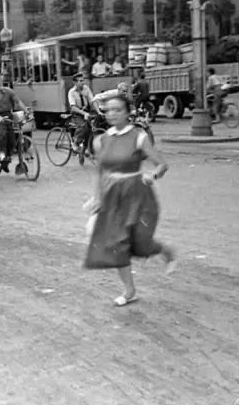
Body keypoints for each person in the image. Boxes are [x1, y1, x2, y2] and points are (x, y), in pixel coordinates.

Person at [83, 92, 176, 307]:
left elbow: (162, 164)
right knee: (117, 245)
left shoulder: (139, 136)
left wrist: (152, 175)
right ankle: (129, 290)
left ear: (128, 112)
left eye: (118, 110)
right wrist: (96, 198)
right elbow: (99, 171)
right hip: (112, 196)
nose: (113, 114)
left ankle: (164, 251)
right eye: (108, 110)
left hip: (138, 194)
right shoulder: (101, 140)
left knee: (141, 243)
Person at [0, 74, 29, 173]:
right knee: (2, 137)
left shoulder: (8, 91)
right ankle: (2, 157)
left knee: (12, 141)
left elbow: (18, 101)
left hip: (8, 115)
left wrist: (26, 111)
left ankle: (6, 161)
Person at [67, 73, 96, 156]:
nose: (83, 82)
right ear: (75, 83)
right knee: (83, 125)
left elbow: (92, 100)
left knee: (92, 128)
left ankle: (88, 147)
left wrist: (98, 110)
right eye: (80, 81)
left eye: (83, 80)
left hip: (86, 110)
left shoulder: (86, 88)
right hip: (77, 113)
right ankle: (75, 143)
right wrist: (84, 113)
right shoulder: (71, 92)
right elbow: (73, 107)